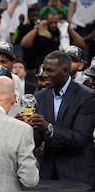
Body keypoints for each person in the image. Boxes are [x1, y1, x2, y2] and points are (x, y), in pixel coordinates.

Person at [28, 50, 95, 188]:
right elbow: (36, 140)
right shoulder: (40, 97)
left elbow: (81, 138)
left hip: (77, 176)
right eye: (44, 69)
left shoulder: (86, 97)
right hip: (47, 175)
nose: (44, 74)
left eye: (49, 70)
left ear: (65, 71)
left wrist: (48, 128)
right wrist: (26, 126)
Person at [21, 12, 86, 72]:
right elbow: (24, 43)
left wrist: (68, 28)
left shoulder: (64, 32)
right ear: (46, 22)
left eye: (55, 23)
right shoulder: (41, 32)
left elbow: (82, 44)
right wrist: (37, 28)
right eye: (50, 23)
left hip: (61, 67)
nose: (53, 25)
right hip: (42, 66)